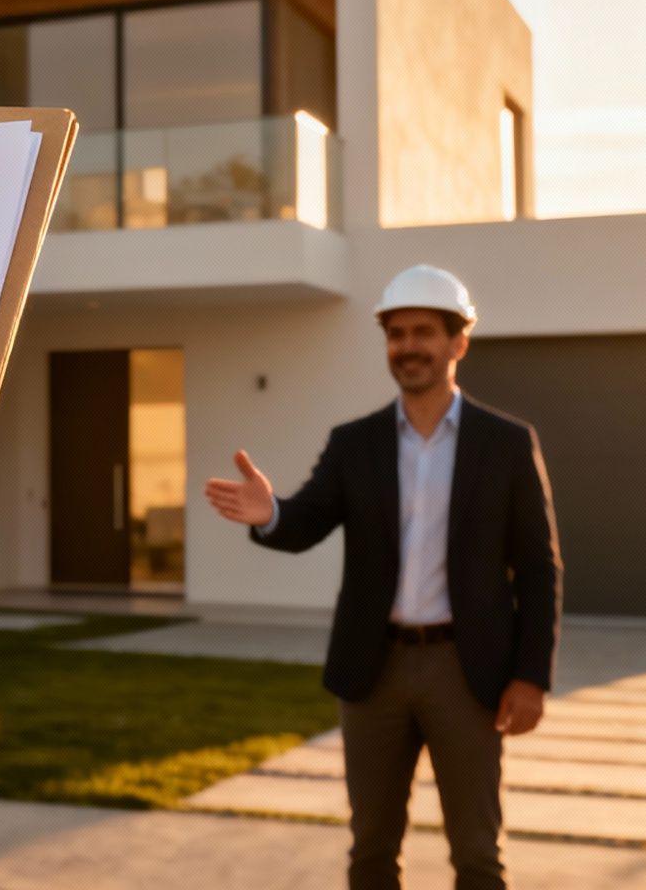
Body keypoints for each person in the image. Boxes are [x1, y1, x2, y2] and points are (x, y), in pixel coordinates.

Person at [205, 265, 562, 890]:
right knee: (370, 852)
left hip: (468, 672)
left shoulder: (506, 444)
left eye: (423, 331)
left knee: (478, 855)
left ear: (459, 342)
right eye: (396, 333)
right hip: (373, 673)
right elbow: (306, 522)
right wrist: (272, 514)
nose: (408, 346)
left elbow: (538, 568)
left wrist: (530, 677)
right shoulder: (356, 444)